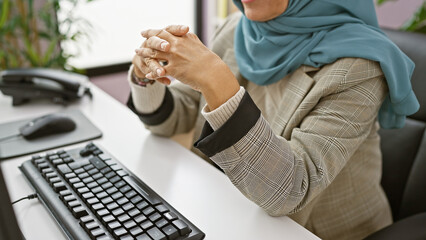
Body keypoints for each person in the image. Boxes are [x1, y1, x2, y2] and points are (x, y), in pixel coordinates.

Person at [127, 0, 420, 239]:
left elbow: (289, 192)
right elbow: (179, 117)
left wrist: (218, 82)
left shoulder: (360, 65)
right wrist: (146, 78)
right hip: (228, 210)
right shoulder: (238, 28)